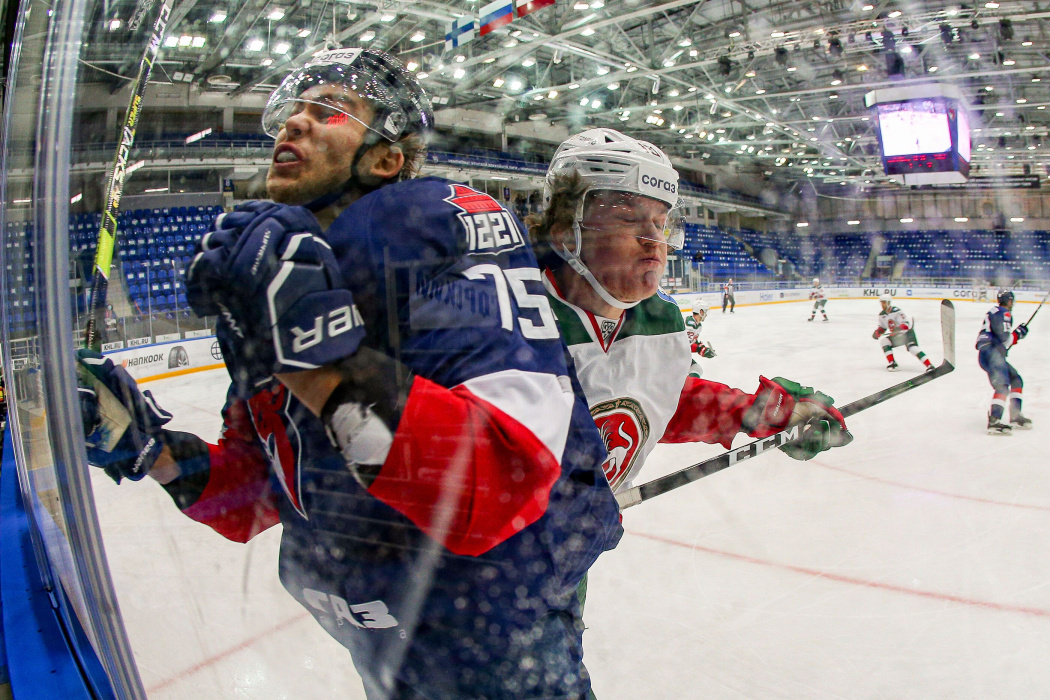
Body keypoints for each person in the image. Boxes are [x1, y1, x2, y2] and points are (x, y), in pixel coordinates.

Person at [78, 49, 622, 699]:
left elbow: (500, 482)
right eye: (291, 114)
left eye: (330, 111)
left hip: (495, 643)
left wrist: (315, 354)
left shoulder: (434, 225)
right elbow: (255, 496)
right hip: (381, 645)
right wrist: (154, 451)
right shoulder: (273, 270)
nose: (295, 125)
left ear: (387, 157)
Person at [526, 128, 853, 495]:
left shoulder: (659, 316)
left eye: (660, 222)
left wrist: (747, 411)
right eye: (628, 218)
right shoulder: (509, 318)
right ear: (567, 232)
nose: (654, 240)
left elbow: (654, 399)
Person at [976, 290, 1031, 434]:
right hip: (991, 352)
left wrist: (1015, 335)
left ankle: (1015, 414)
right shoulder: (1003, 312)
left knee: (1015, 378)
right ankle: (994, 421)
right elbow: (1005, 339)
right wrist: (1018, 333)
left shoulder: (995, 311)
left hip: (988, 352)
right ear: (1009, 301)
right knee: (1002, 385)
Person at [872, 294, 934, 372]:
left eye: (884, 302)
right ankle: (892, 363)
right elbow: (883, 327)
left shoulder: (897, 311)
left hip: (907, 334)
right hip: (896, 336)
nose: (882, 304)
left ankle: (929, 365)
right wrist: (878, 332)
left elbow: (906, 324)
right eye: (881, 303)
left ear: (888, 303)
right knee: (884, 342)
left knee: (913, 349)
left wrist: (899, 328)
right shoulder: (882, 315)